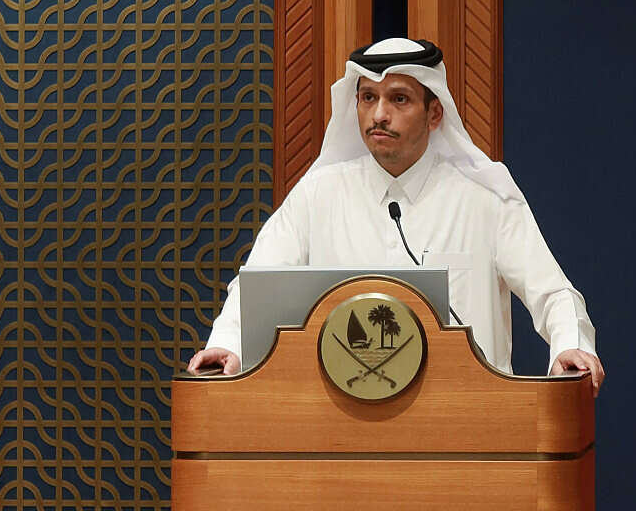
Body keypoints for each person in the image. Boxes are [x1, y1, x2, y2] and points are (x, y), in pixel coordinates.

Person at [187, 38, 604, 395]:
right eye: (368, 98)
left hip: (465, 426)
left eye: (398, 99)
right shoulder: (317, 196)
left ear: (434, 113)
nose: (379, 115)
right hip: (340, 430)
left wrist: (571, 345)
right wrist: (228, 343)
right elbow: (257, 285)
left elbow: (553, 293)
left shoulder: (484, 201)